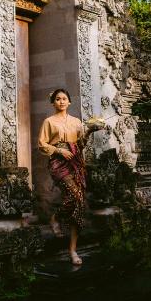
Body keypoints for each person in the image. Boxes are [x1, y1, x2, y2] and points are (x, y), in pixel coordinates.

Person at [38, 88, 101, 266]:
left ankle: (73, 250)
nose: (61, 101)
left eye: (64, 98)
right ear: (53, 102)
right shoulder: (49, 122)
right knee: (74, 196)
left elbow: (80, 144)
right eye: (58, 99)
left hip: (76, 162)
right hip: (58, 163)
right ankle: (55, 218)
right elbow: (42, 144)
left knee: (79, 203)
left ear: (69, 102)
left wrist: (89, 131)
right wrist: (58, 150)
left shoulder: (76, 122)